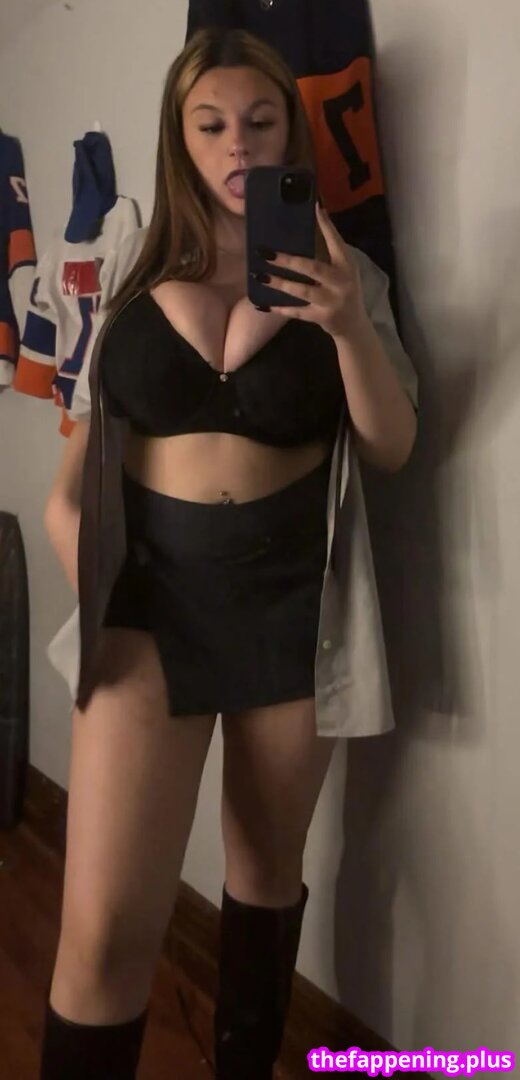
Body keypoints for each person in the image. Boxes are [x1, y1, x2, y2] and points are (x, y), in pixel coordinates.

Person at [39, 26, 418, 1080]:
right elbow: (70, 483)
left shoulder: (346, 272)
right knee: (101, 933)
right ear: (180, 139)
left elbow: (392, 446)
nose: (237, 144)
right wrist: (97, 586)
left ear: (290, 132)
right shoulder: (132, 269)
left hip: (293, 609)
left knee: (262, 878)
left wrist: (347, 326)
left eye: (259, 121)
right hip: (149, 611)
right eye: (210, 125)